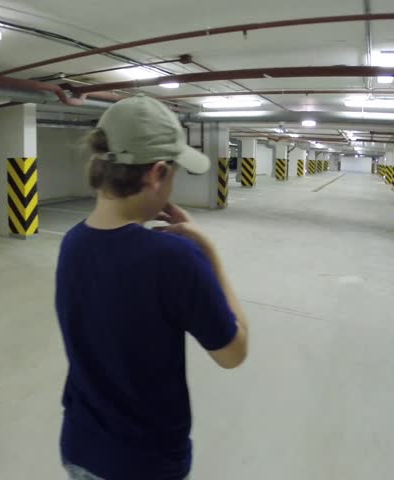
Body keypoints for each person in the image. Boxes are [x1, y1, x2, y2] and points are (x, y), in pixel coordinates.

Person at [55, 96, 250, 480]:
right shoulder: (173, 257)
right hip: (144, 463)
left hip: (80, 447)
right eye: (174, 175)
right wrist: (208, 252)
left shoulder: (72, 242)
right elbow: (233, 353)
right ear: (157, 173)